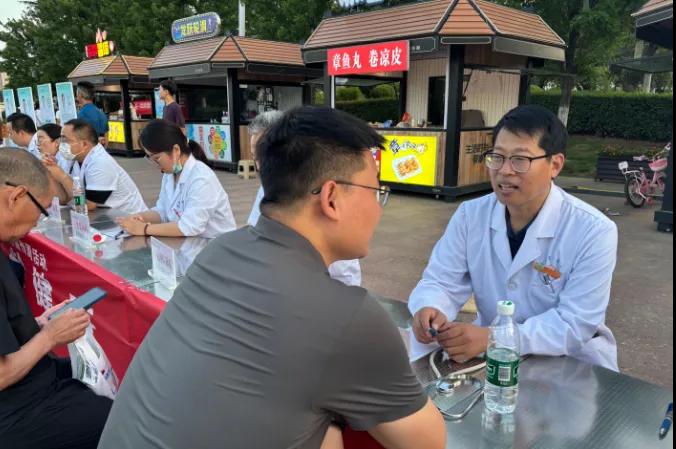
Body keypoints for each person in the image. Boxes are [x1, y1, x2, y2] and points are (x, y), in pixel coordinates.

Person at [97, 107, 446, 449]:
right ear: (331, 198)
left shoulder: (218, 253)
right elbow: (427, 442)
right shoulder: (347, 316)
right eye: (375, 191)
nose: (378, 208)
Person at [409, 105, 619, 371]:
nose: (504, 171)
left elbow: (574, 324)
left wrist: (494, 338)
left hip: (569, 364)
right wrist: (430, 308)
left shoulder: (594, 231)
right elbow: (441, 280)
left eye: (520, 160)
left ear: (555, 165)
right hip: (493, 360)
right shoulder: (470, 215)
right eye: (497, 157)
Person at [0, 149, 112, 449]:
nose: (36, 223)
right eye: (41, 210)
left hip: (27, 384)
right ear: (16, 197)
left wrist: (37, 324)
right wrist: (49, 337)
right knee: (115, 418)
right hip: (13, 409)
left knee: (89, 377)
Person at [247, 111, 363, 286]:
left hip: (327, 284)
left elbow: (337, 265)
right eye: (256, 157)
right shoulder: (270, 186)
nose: (260, 166)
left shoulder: (320, 186)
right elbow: (255, 230)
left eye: (265, 157)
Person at [116, 119, 236, 238]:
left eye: (157, 158)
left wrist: (144, 229)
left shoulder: (202, 179)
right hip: (189, 243)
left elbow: (189, 227)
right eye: (150, 159)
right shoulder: (170, 174)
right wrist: (141, 217)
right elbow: (163, 211)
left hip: (214, 245)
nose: (155, 165)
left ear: (176, 150)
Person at [48, 119, 147, 214]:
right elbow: (63, 199)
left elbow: (88, 204)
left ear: (84, 144)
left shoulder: (100, 162)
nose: (61, 144)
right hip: (103, 216)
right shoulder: (73, 159)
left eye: (66, 140)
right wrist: (52, 173)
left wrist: (62, 177)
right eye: (61, 139)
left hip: (129, 218)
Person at [36, 123, 79, 205]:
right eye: (37, 141)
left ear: (56, 142)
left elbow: (64, 199)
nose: (37, 144)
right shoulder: (52, 160)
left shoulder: (66, 159)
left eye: (40, 140)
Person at [76, 81, 109, 147]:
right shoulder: (102, 113)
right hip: (100, 150)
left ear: (80, 95)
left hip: (87, 150)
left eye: (76, 93)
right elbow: (106, 140)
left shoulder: (81, 114)